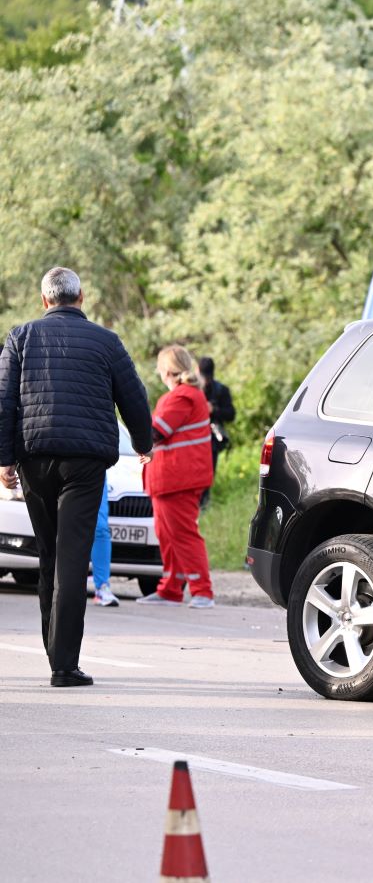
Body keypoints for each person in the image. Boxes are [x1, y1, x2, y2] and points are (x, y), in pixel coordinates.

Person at [0, 267, 152, 687]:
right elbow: (134, 397)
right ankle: (63, 664)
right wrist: (144, 443)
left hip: (35, 457)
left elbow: (4, 401)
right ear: (81, 296)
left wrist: (4, 461)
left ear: (44, 300)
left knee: (49, 553)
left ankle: (56, 652)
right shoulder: (107, 342)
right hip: (85, 463)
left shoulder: (20, 338)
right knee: (71, 559)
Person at [136, 345, 215, 608]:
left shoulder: (181, 397)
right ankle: (170, 589)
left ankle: (202, 590)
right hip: (168, 478)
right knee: (167, 534)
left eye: (159, 369)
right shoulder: (186, 395)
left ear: (167, 370)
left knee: (182, 534)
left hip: (177, 478)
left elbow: (156, 431)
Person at [197, 356, 234, 507]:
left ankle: (203, 506)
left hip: (211, 440)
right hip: (194, 438)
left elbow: (231, 414)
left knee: (207, 475)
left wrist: (213, 410)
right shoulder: (193, 389)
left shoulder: (221, 391)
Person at [90, 476, 119, 607]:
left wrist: (144, 453)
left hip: (93, 466)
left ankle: (102, 587)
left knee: (100, 528)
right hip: (57, 463)